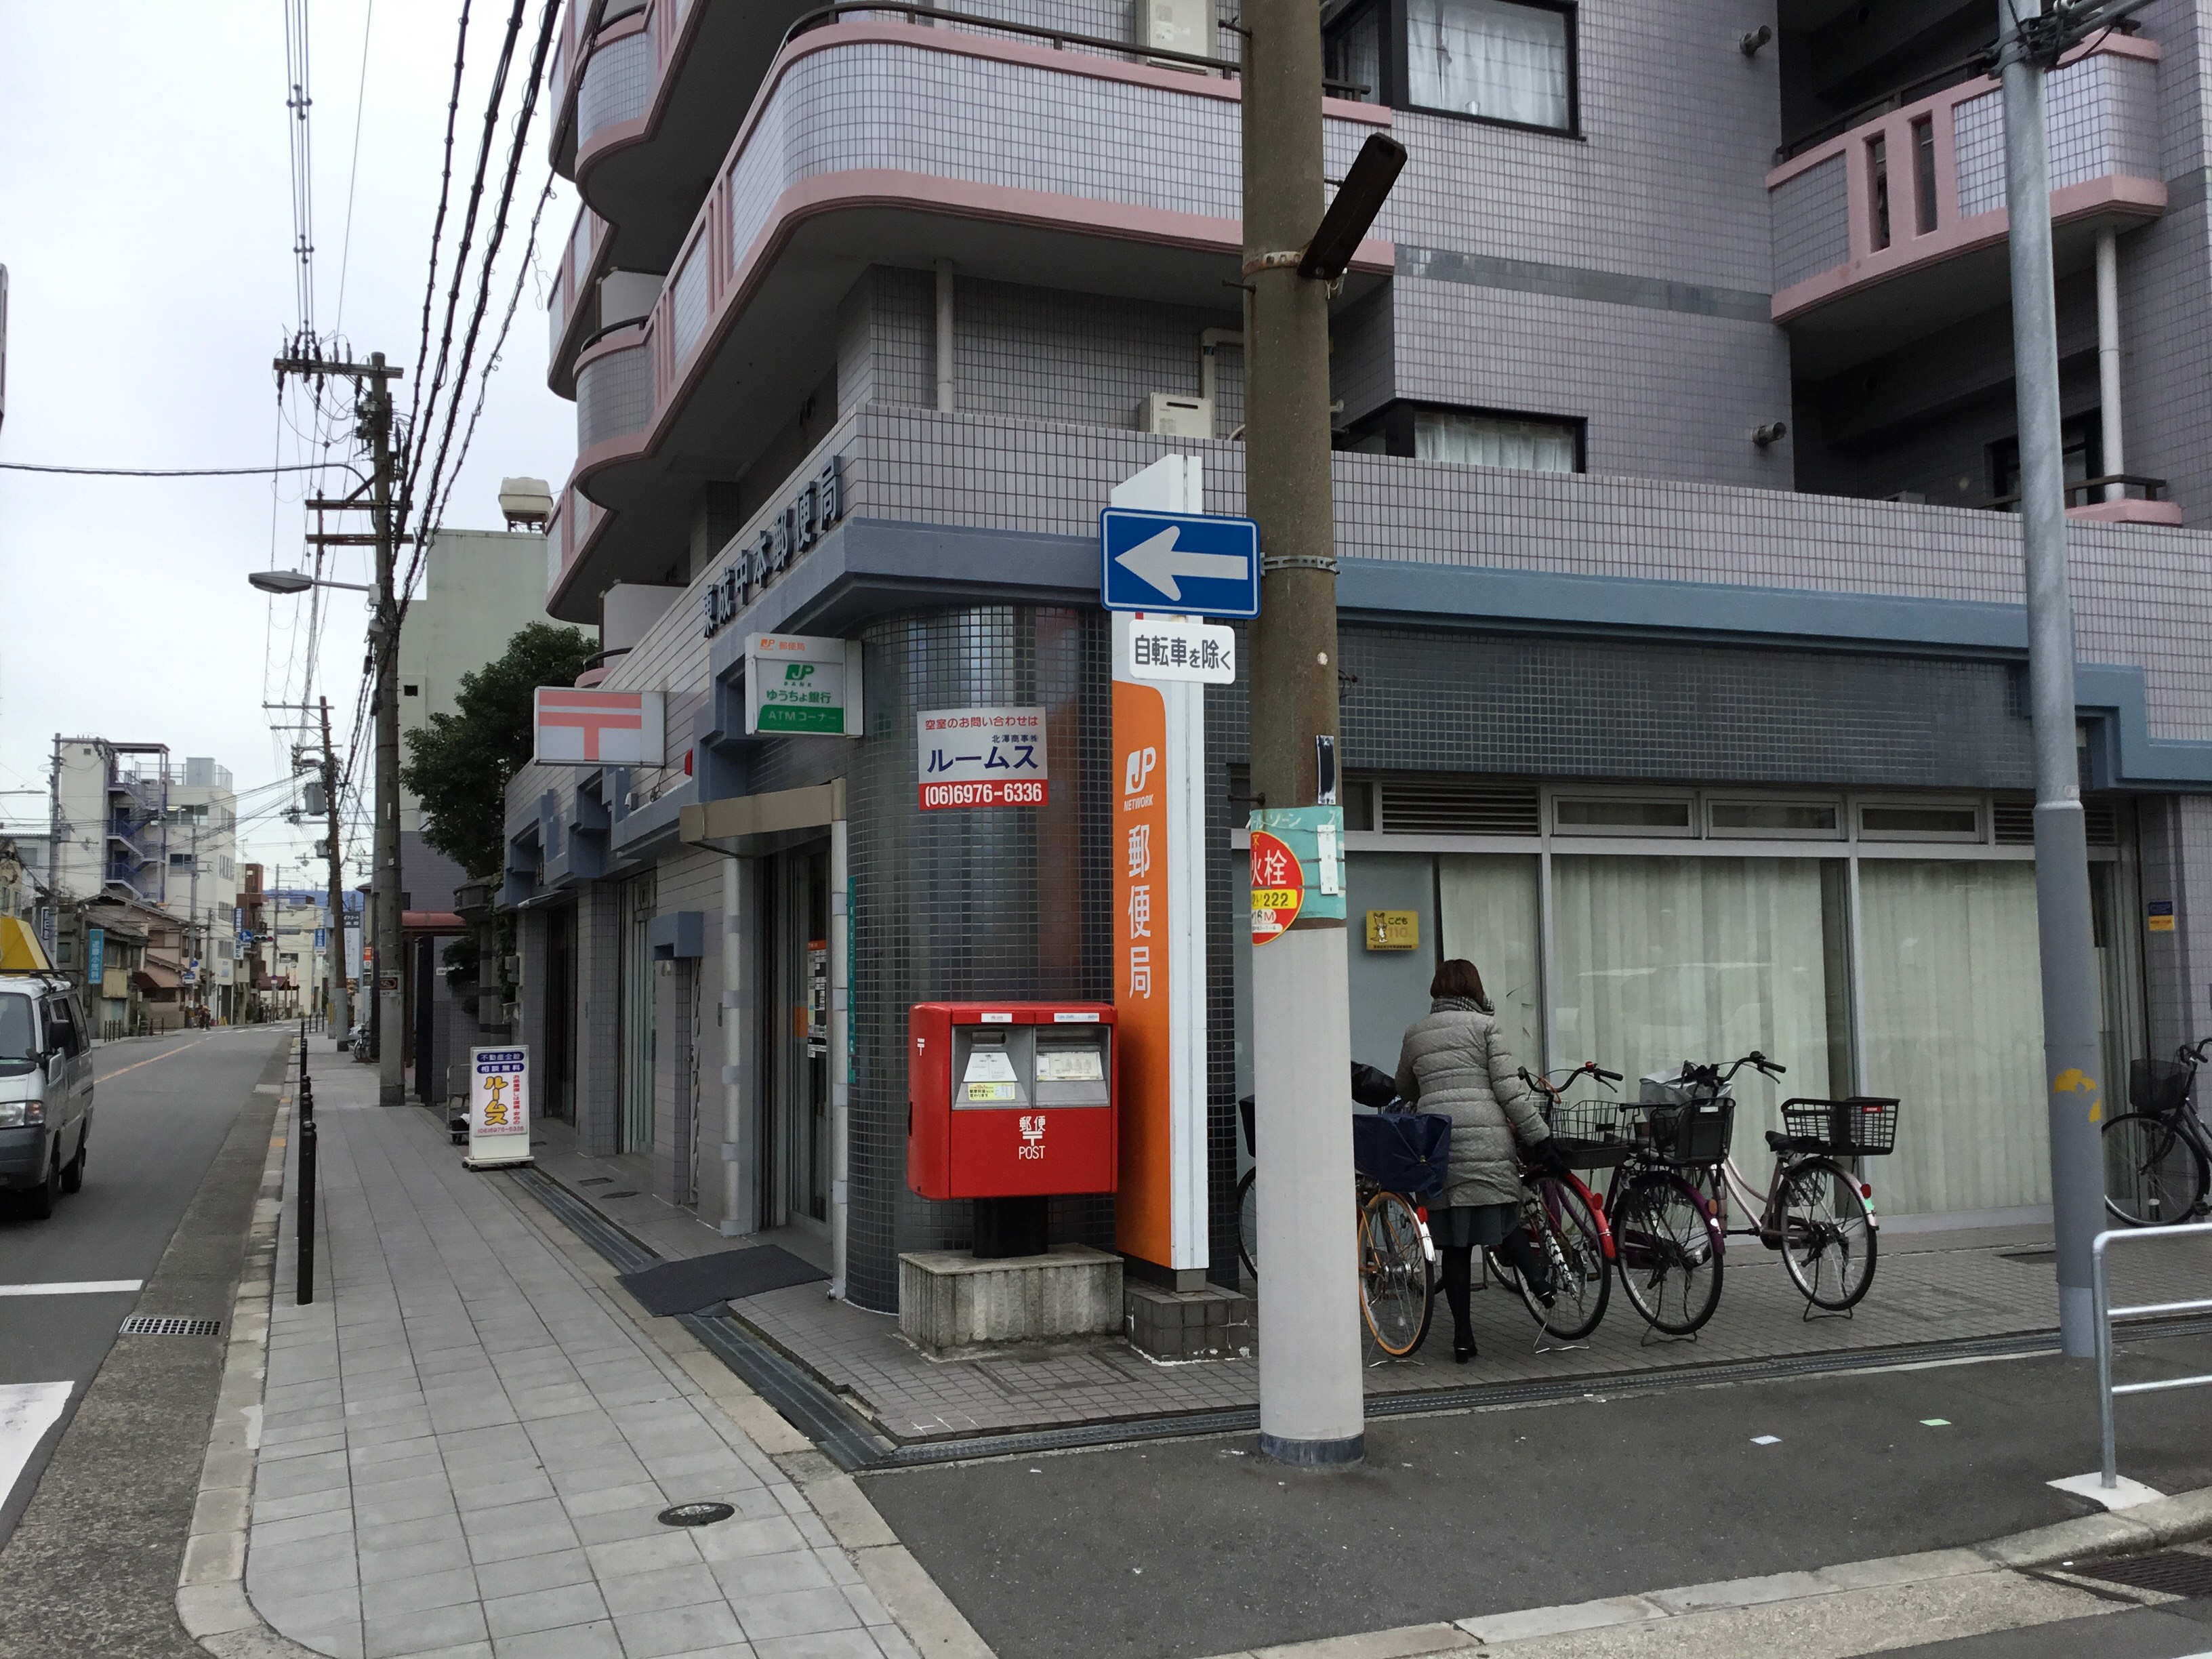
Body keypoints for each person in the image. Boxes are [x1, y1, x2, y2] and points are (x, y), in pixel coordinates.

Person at [1395, 958, 1568, 1363]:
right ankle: (1538, 1281)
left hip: (1439, 1146)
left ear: (1437, 990)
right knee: (1504, 1219)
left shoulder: (1416, 1033)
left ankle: (1463, 1338)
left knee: (1456, 1249)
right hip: (1487, 1142)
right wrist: (1541, 1139)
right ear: (1474, 989)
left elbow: (1405, 1087)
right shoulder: (1485, 1028)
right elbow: (1510, 1092)